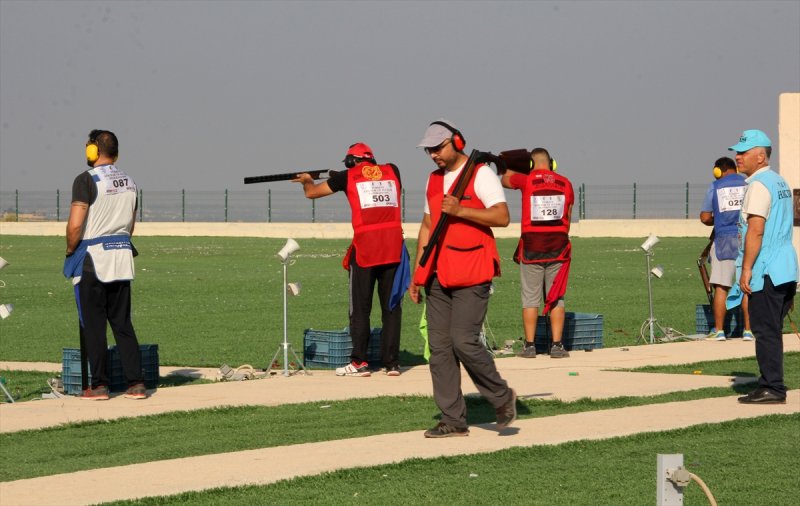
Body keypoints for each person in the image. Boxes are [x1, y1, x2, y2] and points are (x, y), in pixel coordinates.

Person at [409, 119, 516, 438]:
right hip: (438, 274)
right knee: (439, 348)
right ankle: (453, 420)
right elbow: (427, 227)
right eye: (428, 150)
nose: (433, 155)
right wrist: (418, 274)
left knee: (463, 340)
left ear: (457, 141)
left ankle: (501, 397)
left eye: (437, 147)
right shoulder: (432, 181)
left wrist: (461, 210)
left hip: (472, 269)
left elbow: (503, 217)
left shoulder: (481, 174)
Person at [293, 143, 407, 377]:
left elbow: (311, 193)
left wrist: (306, 180)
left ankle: (359, 362)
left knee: (360, 309)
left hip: (366, 249)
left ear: (350, 161)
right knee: (392, 308)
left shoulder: (347, 177)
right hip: (394, 247)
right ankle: (392, 364)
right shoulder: (393, 170)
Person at [63, 129, 146, 400]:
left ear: (93, 151)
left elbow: (76, 224)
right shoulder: (131, 182)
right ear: (116, 152)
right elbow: (131, 226)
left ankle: (99, 385)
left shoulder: (85, 180)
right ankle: (136, 383)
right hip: (122, 257)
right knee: (123, 323)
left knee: (94, 324)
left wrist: (70, 248)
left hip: (92, 260)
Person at [726, 129, 797, 404]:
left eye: (743, 152)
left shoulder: (758, 185)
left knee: (764, 330)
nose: (737, 157)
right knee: (772, 329)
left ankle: (773, 387)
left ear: (760, 155)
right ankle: (771, 382)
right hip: (785, 267)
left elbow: (755, 230)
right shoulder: (779, 181)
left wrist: (746, 270)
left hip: (766, 269)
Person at [501, 148, 574, 358]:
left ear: (531, 165)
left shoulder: (527, 180)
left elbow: (505, 180)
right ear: (551, 163)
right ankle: (558, 346)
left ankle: (530, 346)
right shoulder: (565, 183)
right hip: (559, 248)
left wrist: (513, 164)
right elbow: (568, 215)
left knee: (530, 298)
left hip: (532, 248)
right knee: (556, 297)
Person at [699, 156, 753, 341]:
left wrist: (719, 219)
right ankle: (748, 330)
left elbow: (705, 217)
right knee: (748, 287)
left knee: (721, 287)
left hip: (723, 241)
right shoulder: (749, 184)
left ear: (718, 171)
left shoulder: (715, 186)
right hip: (747, 240)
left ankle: (719, 330)